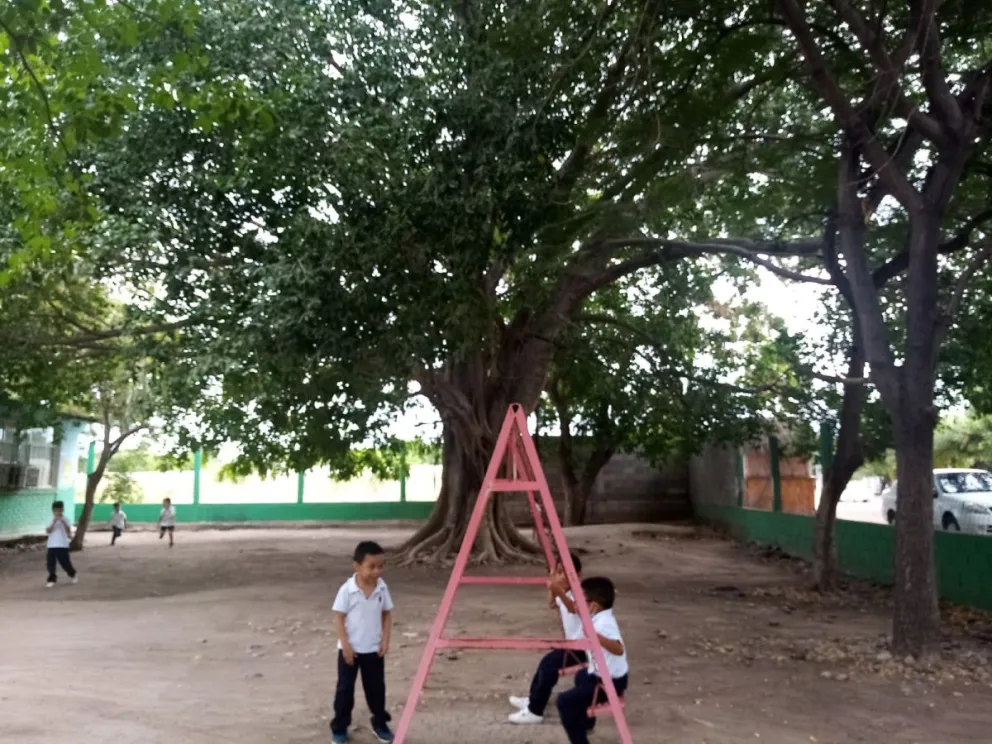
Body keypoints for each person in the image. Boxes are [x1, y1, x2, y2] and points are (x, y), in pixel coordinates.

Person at [508, 552, 585, 724]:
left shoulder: (581, 593)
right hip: (572, 645)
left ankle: (536, 711)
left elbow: (573, 608)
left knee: (550, 666)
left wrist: (558, 590)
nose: (561, 576)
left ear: (578, 576)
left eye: (565, 572)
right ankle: (532, 699)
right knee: (545, 663)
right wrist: (553, 588)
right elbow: (552, 604)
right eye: (558, 572)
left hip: (584, 648)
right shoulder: (565, 592)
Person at [330, 541, 394, 744]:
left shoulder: (382, 588)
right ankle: (340, 727)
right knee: (345, 691)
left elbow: (387, 614)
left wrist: (385, 640)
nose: (377, 571)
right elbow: (338, 617)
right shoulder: (346, 590)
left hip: (373, 650)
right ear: (356, 566)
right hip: (350, 651)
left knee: (376, 689)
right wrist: (346, 645)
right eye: (371, 566)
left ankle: (380, 723)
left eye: (381, 566)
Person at [555, 577, 629, 744]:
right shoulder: (598, 616)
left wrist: (597, 638)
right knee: (581, 675)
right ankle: (587, 723)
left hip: (610, 683)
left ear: (594, 605)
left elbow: (619, 649)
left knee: (564, 701)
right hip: (602, 674)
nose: (577, 603)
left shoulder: (603, 624)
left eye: (580, 599)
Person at [45, 500, 78, 588]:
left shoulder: (66, 519)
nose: (58, 512)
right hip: (51, 545)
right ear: (53, 510)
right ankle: (52, 579)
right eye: (56, 510)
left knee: (65, 563)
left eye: (59, 510)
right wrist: (54, 522)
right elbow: (48, 530)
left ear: (63, 510)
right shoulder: (50, 519)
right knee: (50, 563)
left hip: (62, 544)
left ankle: (73, 574)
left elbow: (68, 532)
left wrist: (63, 522)